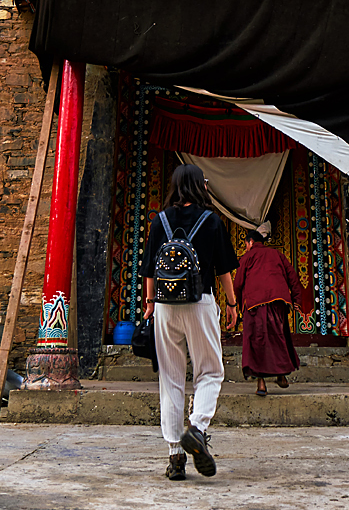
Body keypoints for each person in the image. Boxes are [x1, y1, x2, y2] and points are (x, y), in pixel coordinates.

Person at [141, 162, 239, 482]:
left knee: (170, 378)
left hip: (164, 308)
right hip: (200, 303)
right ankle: (197, 427)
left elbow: (149, 270)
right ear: (199, 185)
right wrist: (233, 303)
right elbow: (224, 270)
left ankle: (175, 457)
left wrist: (150, 303)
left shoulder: (159, 220)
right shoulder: (212, 221)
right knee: (210, 371)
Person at [233, 224, 303, 396]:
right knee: (278, 337)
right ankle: (281, 375)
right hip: (278, 303)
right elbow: (293, 277)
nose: (246, 247)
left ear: (250, 242)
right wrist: (296, 300)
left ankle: (261, 384)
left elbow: (238, 283)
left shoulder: (247, 257)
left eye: (246, 244)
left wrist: (238, 305)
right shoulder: (277, 254)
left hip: (254, 305)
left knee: (257, 342)